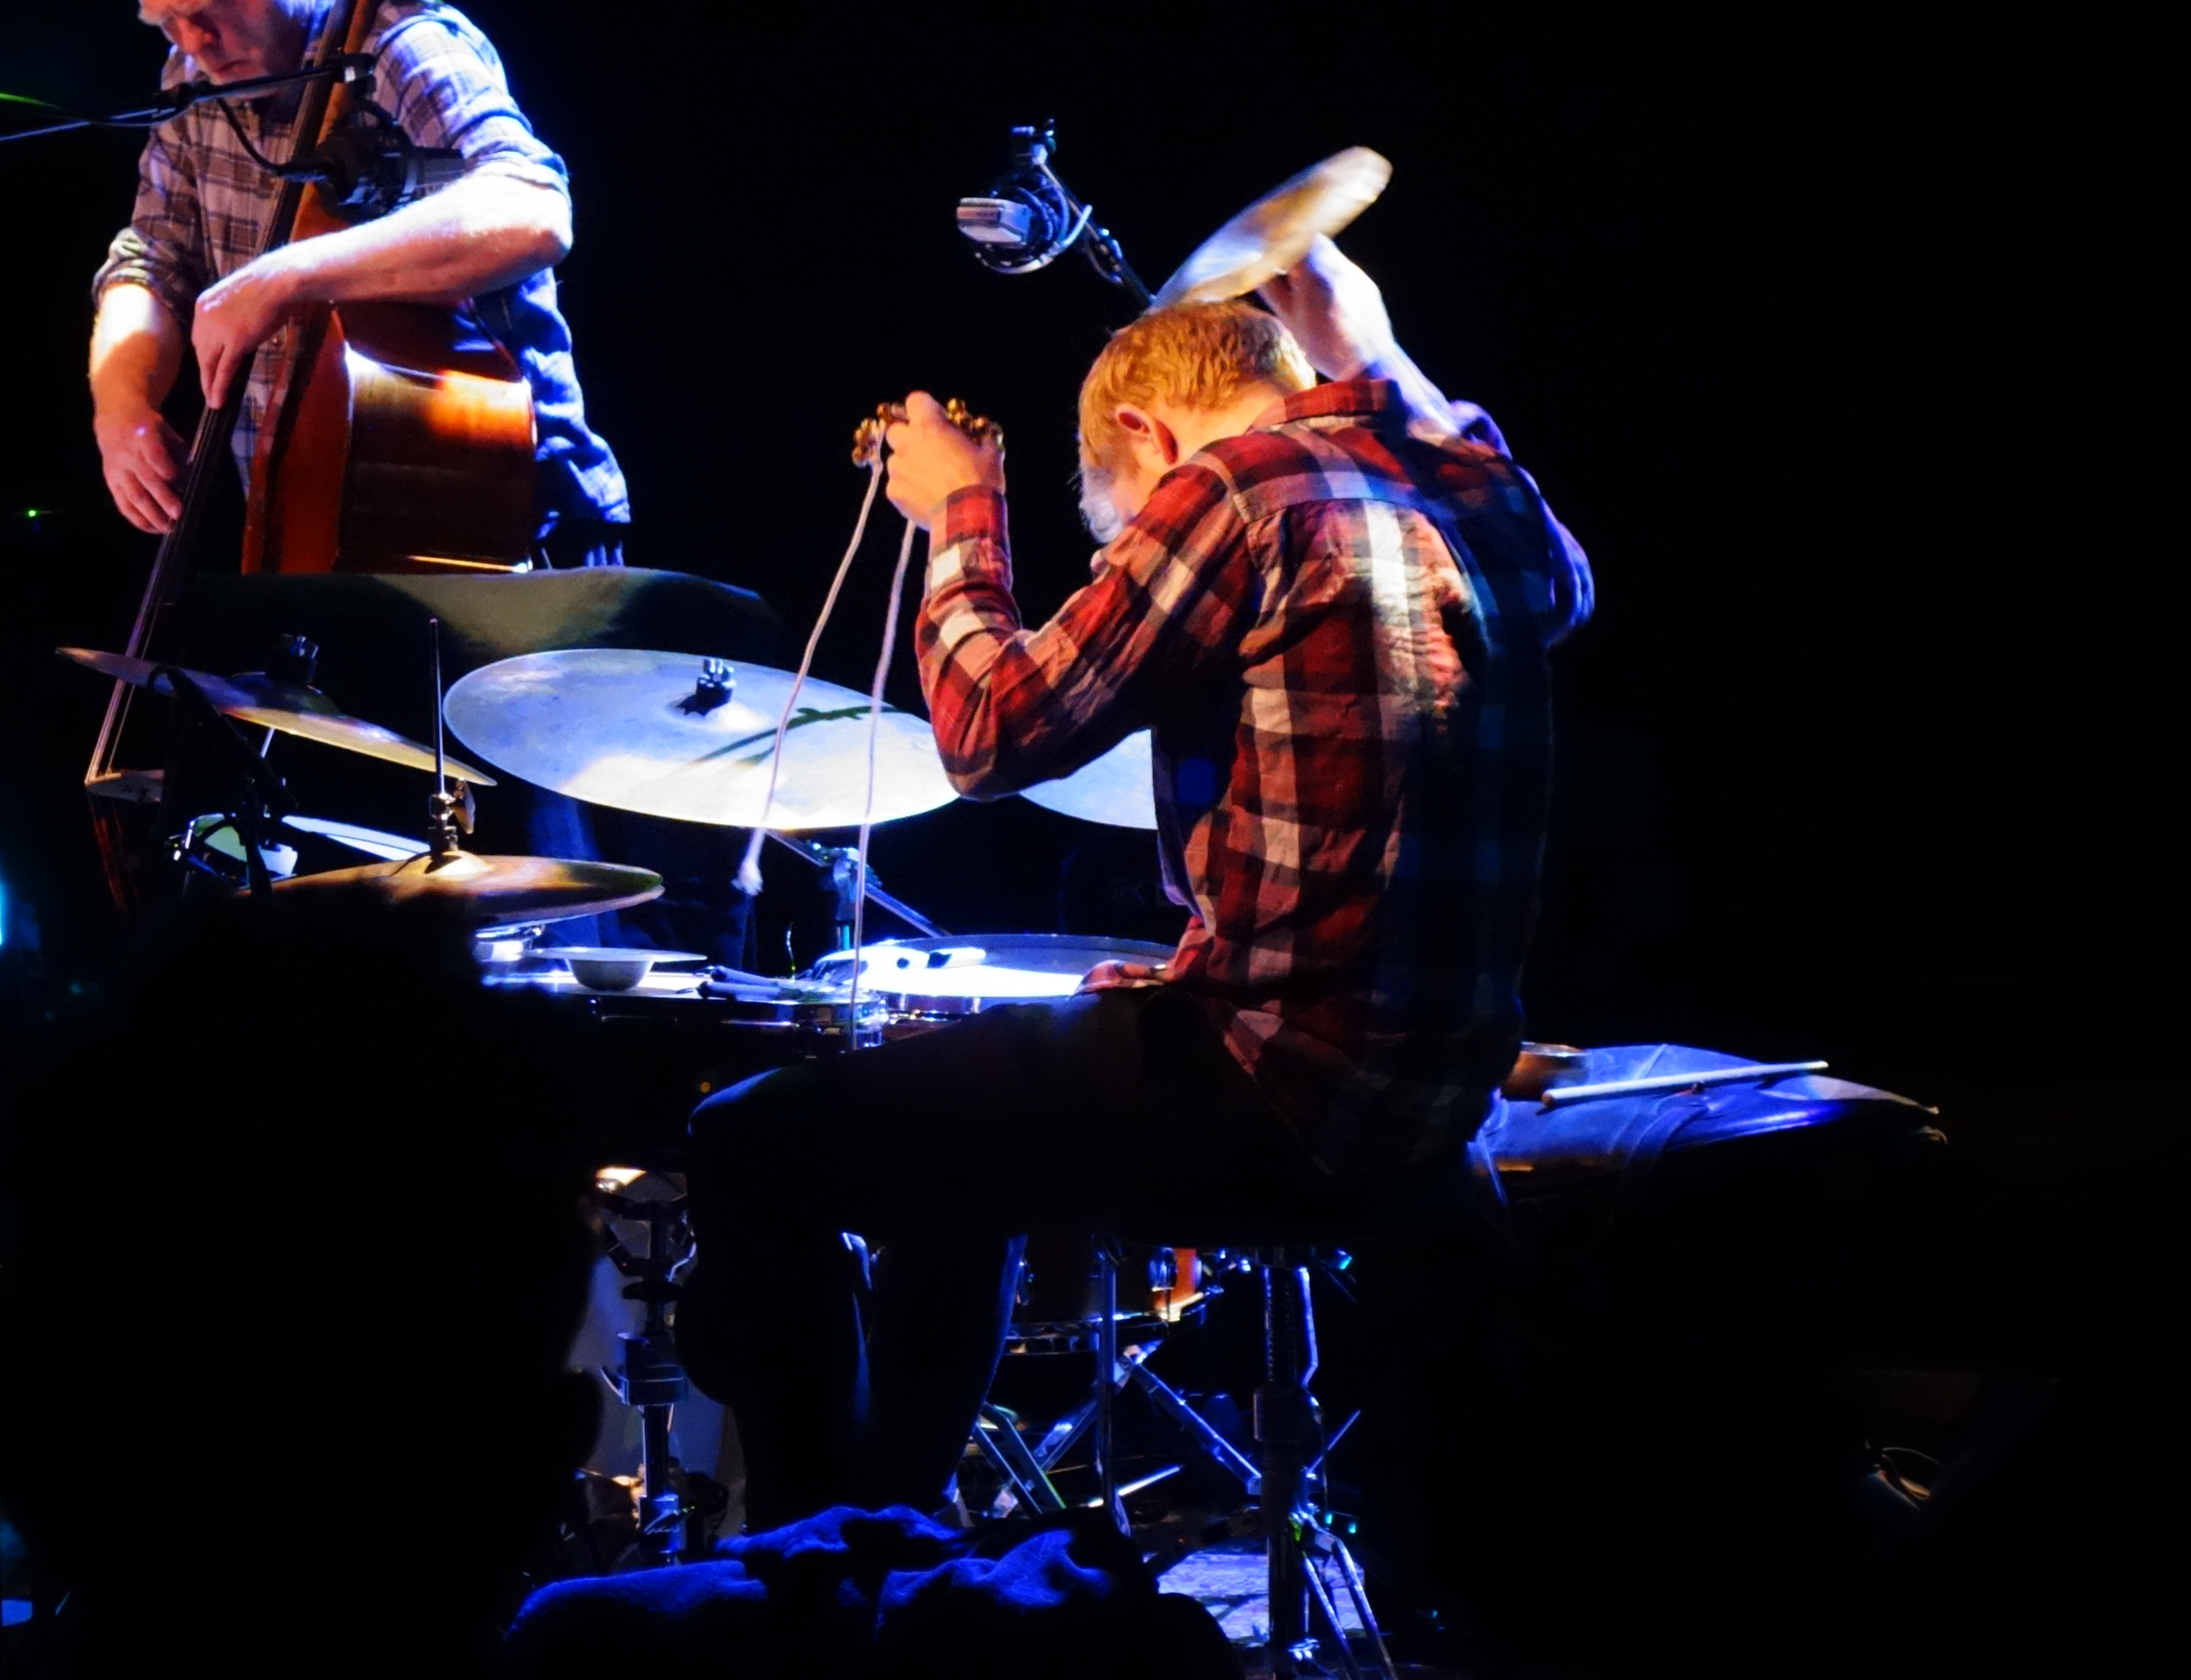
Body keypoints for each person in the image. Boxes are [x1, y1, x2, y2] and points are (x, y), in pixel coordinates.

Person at [674, 242, 1592, 1524]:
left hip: (1280, 1094)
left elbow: (991, 734)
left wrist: (960, 515)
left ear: (1149, 439)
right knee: (965, 1145)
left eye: (1115, 524)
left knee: (750, 1140)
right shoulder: (1480, 495)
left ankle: (810, 1566)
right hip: (1433, 1098)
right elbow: (1567, 589)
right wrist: (1373, 354)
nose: (1125, 551)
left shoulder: (1235, 488)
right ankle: (887, 1534)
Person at [80, 0, 628, 565]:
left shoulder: (404, 46)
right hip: (322, 529)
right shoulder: (194, 76)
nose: (194, 45)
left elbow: (533, 208)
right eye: (166, 20)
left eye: (209, 4)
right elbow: (152, 258)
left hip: (506, 529)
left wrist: (292, 274)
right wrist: (122, 410)